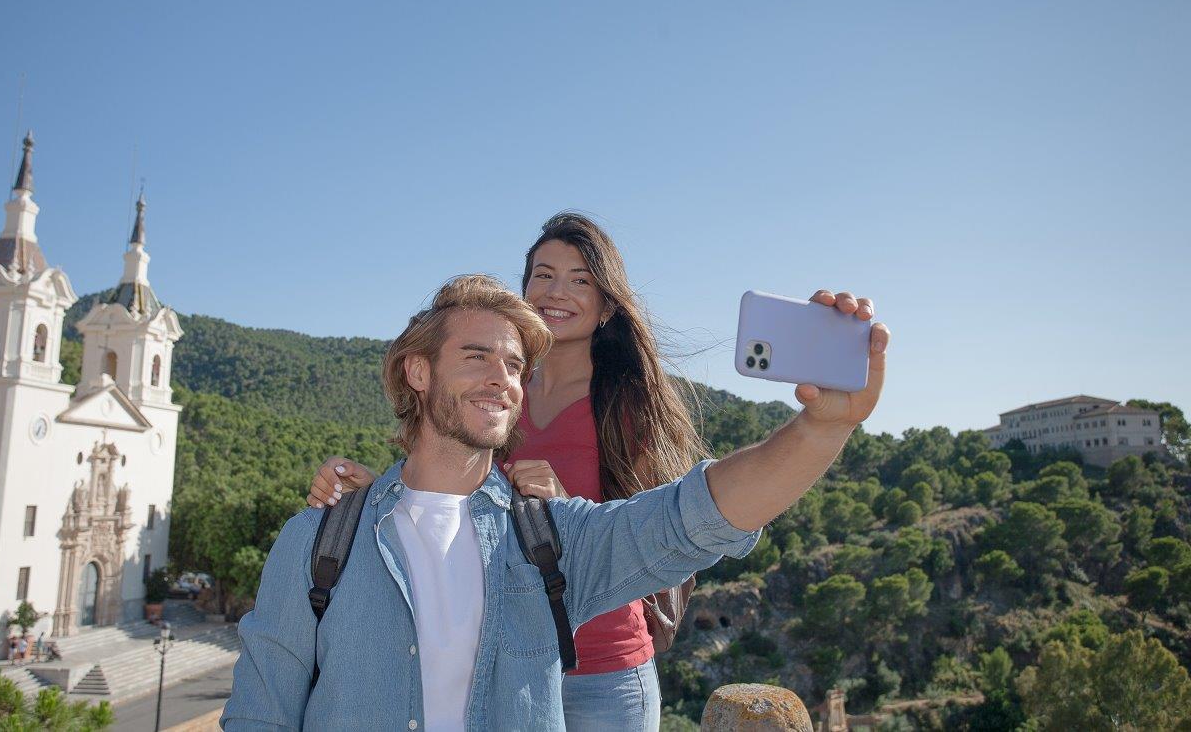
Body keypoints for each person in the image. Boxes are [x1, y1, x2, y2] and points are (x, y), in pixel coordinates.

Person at [223, 273, 889, 731]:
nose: (502, 379)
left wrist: (824, 427)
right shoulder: (319, 542)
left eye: (515, 364)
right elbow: (262, 713)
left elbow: (696, 516)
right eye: (477, 355)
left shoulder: (551, 542)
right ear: (417, 371)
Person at [307, 214, 714, 730]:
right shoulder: (494, 393)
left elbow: (657, 533)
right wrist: (368, 491)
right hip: (502, 663)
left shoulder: (628, 405)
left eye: (580, 279)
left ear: (608, 303)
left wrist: (566, 509)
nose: (556, 291)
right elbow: (439, 485)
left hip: (605, 672)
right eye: (543, 275)